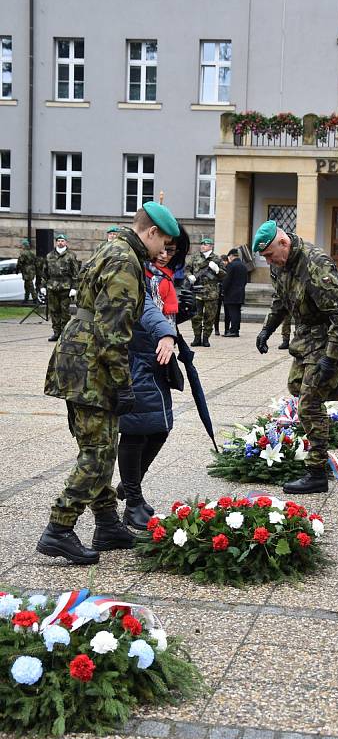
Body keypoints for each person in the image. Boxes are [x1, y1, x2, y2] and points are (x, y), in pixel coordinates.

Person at [36, 202, 180, 565]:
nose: (163, 250)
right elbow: (112, 332)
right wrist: (122, 384)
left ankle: (107, 524)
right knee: (98, 453)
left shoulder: (113, 248)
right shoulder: (125, 262)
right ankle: (59, 528)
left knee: (99, 445)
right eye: (162, 241)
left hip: (80, 360)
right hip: (91, 367)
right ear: (150, 232)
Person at [253, 221, 338, 495]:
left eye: (270, 255)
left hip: (333, 334)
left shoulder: (315, 264)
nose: (269, 261)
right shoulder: (279, 264)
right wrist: (266, 330)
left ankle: (316, 472)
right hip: (307, 336)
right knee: (297, 386)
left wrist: (331, 358)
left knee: (309, 401)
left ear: (284, 243)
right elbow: (280, 300)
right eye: (265, 258)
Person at [116, 225, 195, 529]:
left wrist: (179, 318)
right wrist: (164, 330)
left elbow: (162, 312)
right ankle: (132, 499)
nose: (164, 254)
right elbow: (143, 310)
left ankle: (129, 487)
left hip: (156, 359)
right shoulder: (135, 268)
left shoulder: (162, 276)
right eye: (162, 246)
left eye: (171, 250)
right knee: (136, 429)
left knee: (159, 426)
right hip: (134, 358)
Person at [185, 237, 226, 347]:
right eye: (202, 244)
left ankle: (206, 338)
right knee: (196, 316)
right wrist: (190, 276)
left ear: (211, 246)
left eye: (205, 244)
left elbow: (224, 275)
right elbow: (187, 269)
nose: (202, 246)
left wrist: (217, 270)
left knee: (210, 317)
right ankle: (197, 338)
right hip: (197, 292)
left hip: (211, 293)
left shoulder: (216, 259)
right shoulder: (195, 257)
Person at [42, 234, 79, 342]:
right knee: (54, 311)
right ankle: (56, 333)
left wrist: (74, 288)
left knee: (65, 311)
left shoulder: (71, 255)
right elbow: (45, 272)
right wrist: (43, 286)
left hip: (65, 287)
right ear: (56, 242)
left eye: (62, 241)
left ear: (66, 242)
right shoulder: (49, 256)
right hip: (52, 286)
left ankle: (65, 334)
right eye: (58, 241)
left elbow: (75, 273)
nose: (60, 242)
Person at [221, 248, 248, 337]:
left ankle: (233, 331)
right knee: (237, 312)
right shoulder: (243, 266)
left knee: (232, 313)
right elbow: (245, 280)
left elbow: (227, 279)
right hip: (240, 292)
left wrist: (223, 290)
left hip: (231, 293)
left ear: (231, 256)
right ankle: (236, 329)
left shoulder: (231, 265)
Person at [16, 238, 38, 303]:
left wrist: (17, 270)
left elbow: (20, 262)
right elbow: (36, 262)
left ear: (24, 246)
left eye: (22, 245)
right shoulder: (32, 253)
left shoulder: (23, 253)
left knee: (30, 285)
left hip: (26, 270)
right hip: (32, 270)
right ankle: (26, 298)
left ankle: (35, 298)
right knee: (27, 285)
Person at [214, 254, 228, 336]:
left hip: (226, 293)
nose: (224, 263)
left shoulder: (229, 268)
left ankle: (226, 329)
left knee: (227, 312)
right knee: (216, 312)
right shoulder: (217, 270)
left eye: (224, 261)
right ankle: (216, 329)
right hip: (218, 293)